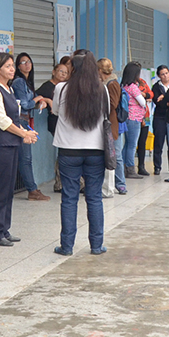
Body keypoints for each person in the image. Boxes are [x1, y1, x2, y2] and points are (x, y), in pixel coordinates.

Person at [53, 50, 108, 256]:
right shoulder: (101, 90)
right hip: (96, 151)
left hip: (68, 151)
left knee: (69, 198)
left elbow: (56, 111)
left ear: (72, 68)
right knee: (94, 198)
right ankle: (96, 245)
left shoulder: (61, 88)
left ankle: (66, 247)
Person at [0, 52, 38, 246]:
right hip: (0, 146)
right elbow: (1, 120)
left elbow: (14, 120)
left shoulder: (8, 89)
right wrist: (23, 134)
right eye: (7, 66)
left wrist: (26, 133)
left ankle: (4, 229)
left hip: (11, 144)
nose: (12, 69)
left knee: (8, 190)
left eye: (12, 66)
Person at [11, 52, 49, 201]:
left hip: (25, 120)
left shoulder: (27, 82)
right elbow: (24, 104)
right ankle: (32, 190)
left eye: (29, 61)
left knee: (24, 157)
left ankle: (32, 189)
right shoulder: (19, 82)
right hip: (20, 122)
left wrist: (40, 102)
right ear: (18, 67)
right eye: (23, 62)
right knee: (25, 158)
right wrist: (38, 99)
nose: (27, 64)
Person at [36, 59, 72, 193]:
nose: (63, 74)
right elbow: (35, 96)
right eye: (61, 71)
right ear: (53, 72)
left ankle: (62, 182)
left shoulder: (65, 86)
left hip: (65, 122)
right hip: (55, 122)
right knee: (64, 151)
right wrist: (46, 100)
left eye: (66, 72)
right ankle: (60, 183)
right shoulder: (48, 86)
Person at [97, 58, 125, 195]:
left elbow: (112, 104)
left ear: (100, 70)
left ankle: (119, 184)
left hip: (111, 123)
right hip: (108, 123)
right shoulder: (105, 83)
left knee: (114, 155)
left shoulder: (112, 84)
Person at [120, 62, 148, 179]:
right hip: (134, 118)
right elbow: (142, 102)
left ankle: (122, 167)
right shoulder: (133, 87)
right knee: (132, 145)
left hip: (127, 118)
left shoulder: (123, 85)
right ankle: (130, 169)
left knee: (127, 144)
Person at [151, 66, 169, 176]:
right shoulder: (156, 87)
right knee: (158, 143)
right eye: (162, 74)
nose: (165, 76)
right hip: (159, 117)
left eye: (167, 73)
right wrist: (167, 100)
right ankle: (157, 166)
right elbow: (158, 102)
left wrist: (164, 96)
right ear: (159, 76)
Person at [134, 76, 154, 176]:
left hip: (145, 115)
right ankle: (129, 167)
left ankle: (141, 166)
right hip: (135, 115)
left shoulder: (142, 82)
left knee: (143, 141)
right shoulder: (130, 85)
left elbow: (151, 94)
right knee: (133, 142)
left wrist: (144, 95)